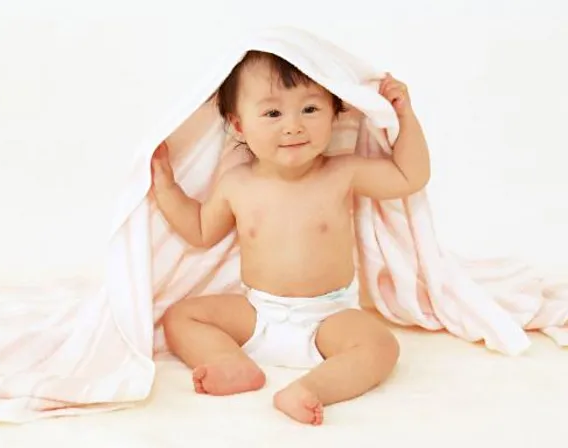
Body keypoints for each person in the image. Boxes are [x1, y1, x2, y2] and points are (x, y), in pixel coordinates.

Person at [152, 50, 430, 425]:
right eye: (272, 113)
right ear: (237, 124)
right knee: (181, 317)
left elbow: (409, 176)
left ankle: (312, 388)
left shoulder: (341, 174)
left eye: (310, 110)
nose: (293, 126)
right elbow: (200, 230)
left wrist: (405, 117)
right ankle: (230, 362)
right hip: (257, 312)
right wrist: (167, 187)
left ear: (336, 112)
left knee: (381, 346)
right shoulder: (237, 184)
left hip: (328, 317)